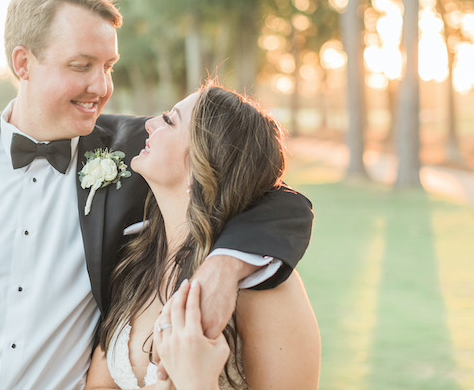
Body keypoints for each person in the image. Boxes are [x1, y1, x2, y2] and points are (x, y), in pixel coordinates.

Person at [0, 0, 314, 390]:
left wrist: (225, 267)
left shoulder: (143, 149)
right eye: (81, 65)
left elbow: (267, 194)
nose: (101, 86)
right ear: (24, 63)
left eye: (109, 65)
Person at [85, 86, 320, 390]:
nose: (149, 123)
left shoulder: (261, 286)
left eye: (170, 121)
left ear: (200, 163)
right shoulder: (136, 260)